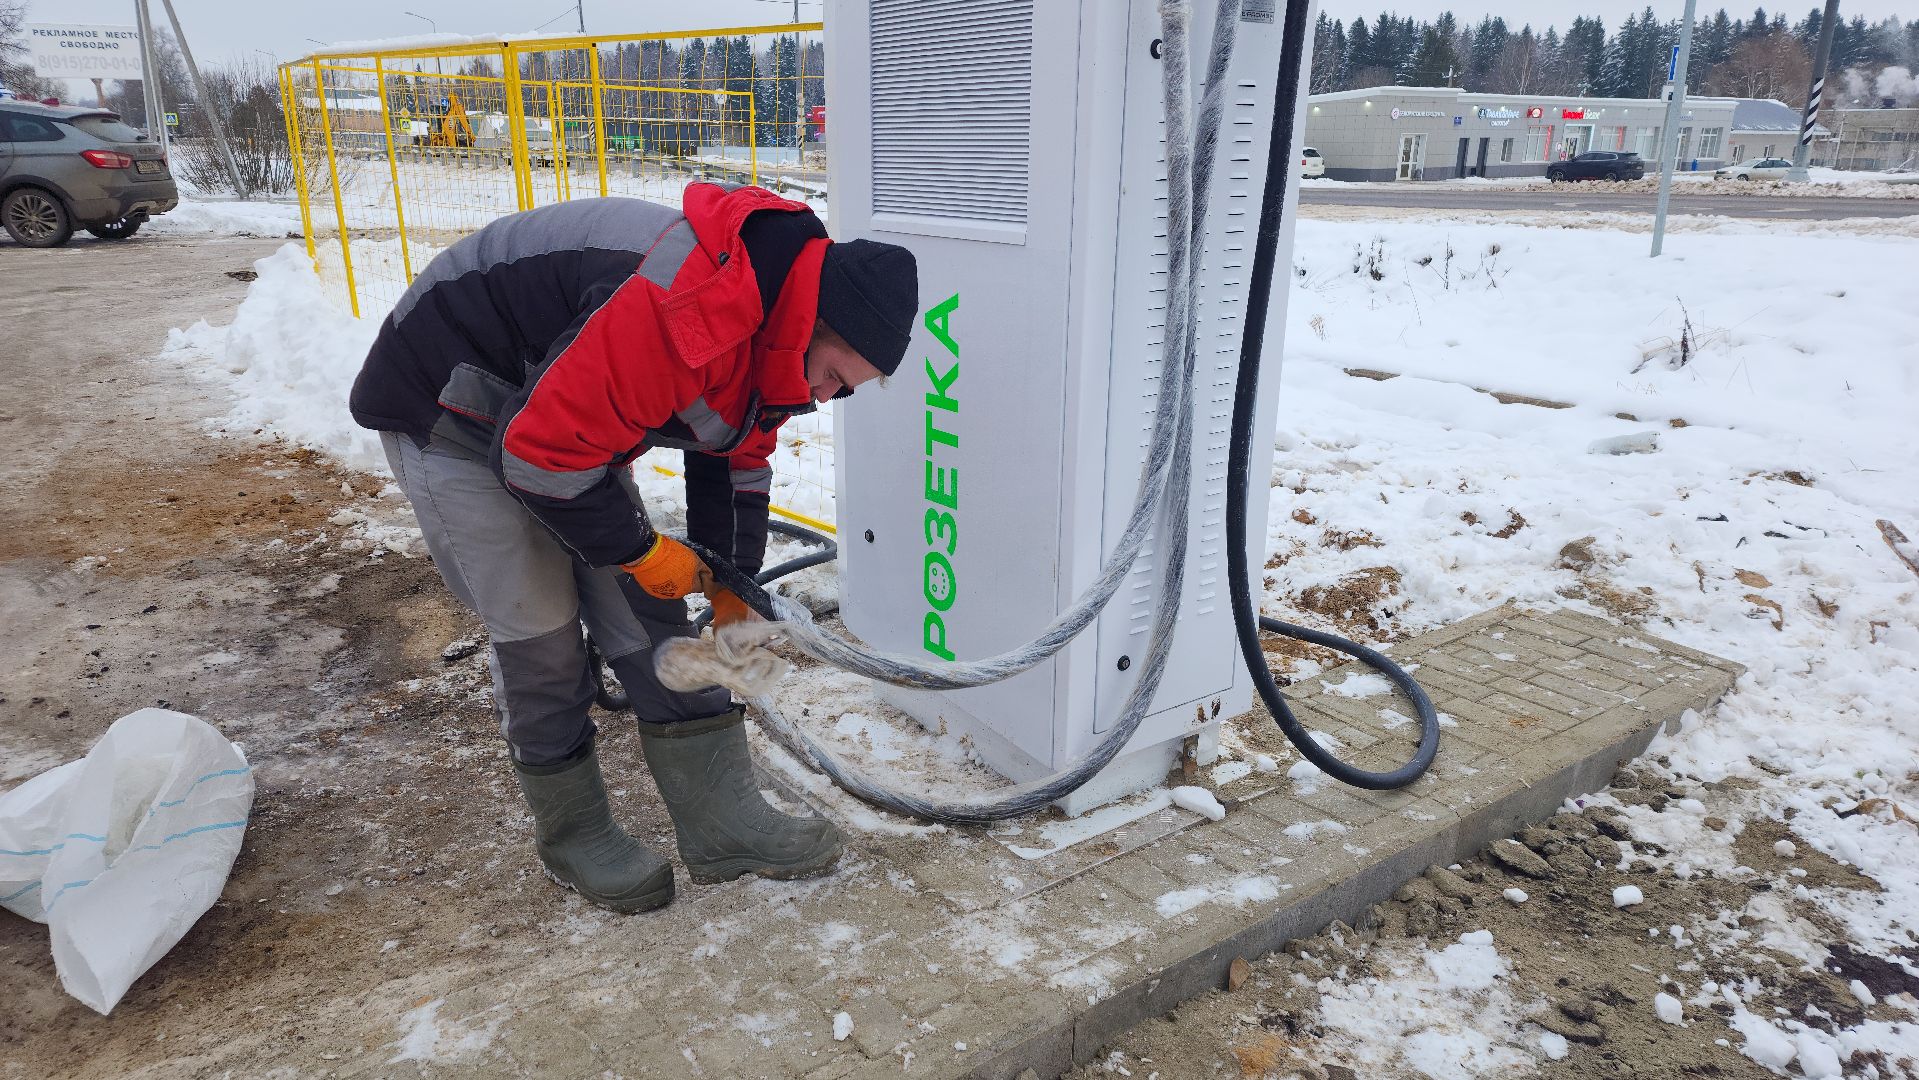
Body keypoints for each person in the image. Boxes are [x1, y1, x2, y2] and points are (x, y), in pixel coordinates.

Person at [348, 183, 918, 912]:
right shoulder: (684, 304)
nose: (821, 398)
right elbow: (535, 459)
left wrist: (728, 585)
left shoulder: (768, 332)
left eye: (844, 392)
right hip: (450, 401)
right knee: (542, 635)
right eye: (833, 376)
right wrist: (644, 553)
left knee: (646, 618)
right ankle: (574, 835)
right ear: (810, 321)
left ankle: (723, 825)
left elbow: (737, 454)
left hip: (562, 412)